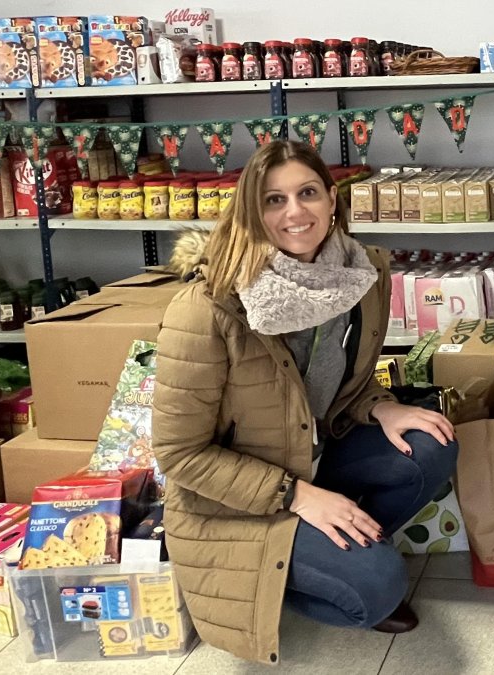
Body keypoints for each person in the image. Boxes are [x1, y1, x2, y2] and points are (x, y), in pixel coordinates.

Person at [151, 140, 459, 665]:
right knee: (377, 588)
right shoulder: (209, 308)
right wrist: (297, 497)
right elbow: (179, 455)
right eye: (274, 200)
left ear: (331, 199)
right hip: (238, 502)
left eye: (307, 193)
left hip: (315, 454)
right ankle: (281, 580)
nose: (295, 213)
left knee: (430, 443)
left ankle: (342, 543)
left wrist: (382, 406)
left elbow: (343, 383)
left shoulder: (358, 274)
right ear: (252, 210)